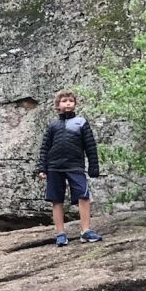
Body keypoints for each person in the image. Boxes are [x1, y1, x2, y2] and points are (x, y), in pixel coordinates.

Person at [36, 89, 102, 246]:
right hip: (55, 167)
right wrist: (42, 168)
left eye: (71, 101)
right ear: (57, 105)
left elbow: (90, 146)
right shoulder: (53, 125)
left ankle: (85, 231)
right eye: (64, 101)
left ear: (75, 104)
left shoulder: (81, 123)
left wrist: (94, 166)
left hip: (75, 166)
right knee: (56, 200)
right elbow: (45, 148)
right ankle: (60, 233)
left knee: (84, 196)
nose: (68, 103)